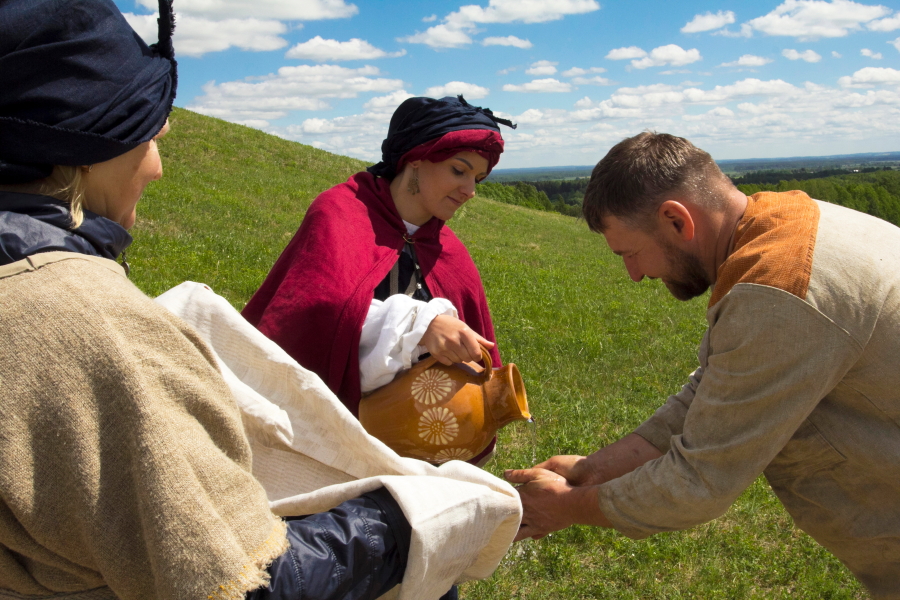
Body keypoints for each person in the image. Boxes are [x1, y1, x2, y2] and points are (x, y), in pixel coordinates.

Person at [0, 1, 410, 598]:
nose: (158, 169)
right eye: (149, 139)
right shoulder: (81, 326)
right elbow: (240, 583)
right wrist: (410, 513)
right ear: (88, 144)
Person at [505, 131, 900, 598]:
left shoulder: (778, 291)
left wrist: (569, 507)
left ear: (676, 220)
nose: (634, 275)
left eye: (630, 254)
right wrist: (596, 469)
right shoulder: (787, 227)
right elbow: (720, 385)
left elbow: (699, 482)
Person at [242, 95, 516, 465]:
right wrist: (420, 325)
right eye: (459, 170)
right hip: (321, 433)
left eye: (478, 178)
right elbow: (312, 314)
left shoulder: (451, 252)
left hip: (416, 444)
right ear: (416, 160)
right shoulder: (340, 213)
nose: (471, 190)